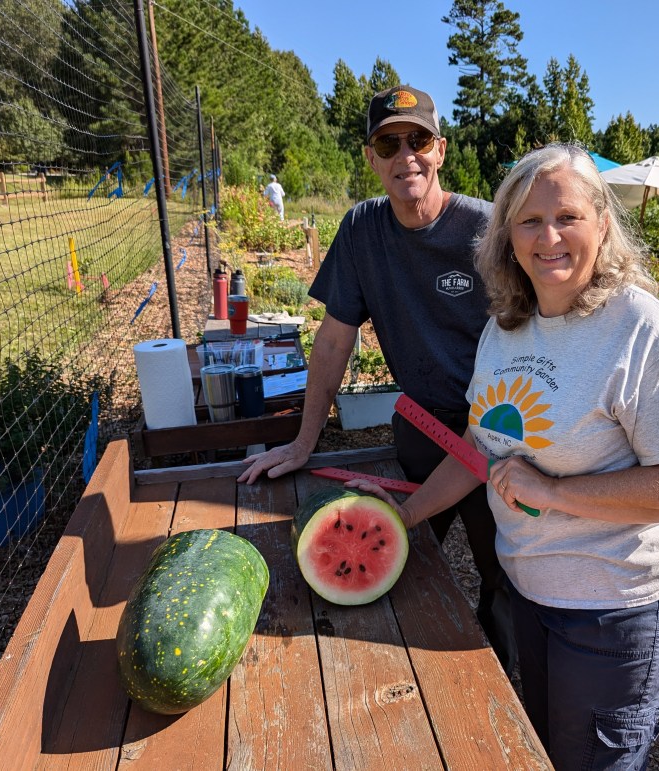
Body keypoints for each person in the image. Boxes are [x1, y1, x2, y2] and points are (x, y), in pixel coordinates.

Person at [346, 142, 659, 770]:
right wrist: (404, 517)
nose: (548, 236)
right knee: (548, 752)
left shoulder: (641, 329)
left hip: (613, 610)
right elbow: (477, 443)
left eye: (567, 217)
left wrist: (553, 493)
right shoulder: (507, 324)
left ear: (602, 224)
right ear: (506, 236)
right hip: (531, 592)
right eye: (529, 220)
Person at [238, 85, 516, 674]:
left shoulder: (488, 230)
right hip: (422, 424)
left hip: (498, 436)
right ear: (370, 158)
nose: (404, 156)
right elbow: (336, 338)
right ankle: (407, 684)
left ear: (439, 150)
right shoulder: (363, 229)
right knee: (397, 558)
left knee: (509, 576)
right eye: (388, 143)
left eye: (417, 140)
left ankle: (505, 685)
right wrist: (305, 440)